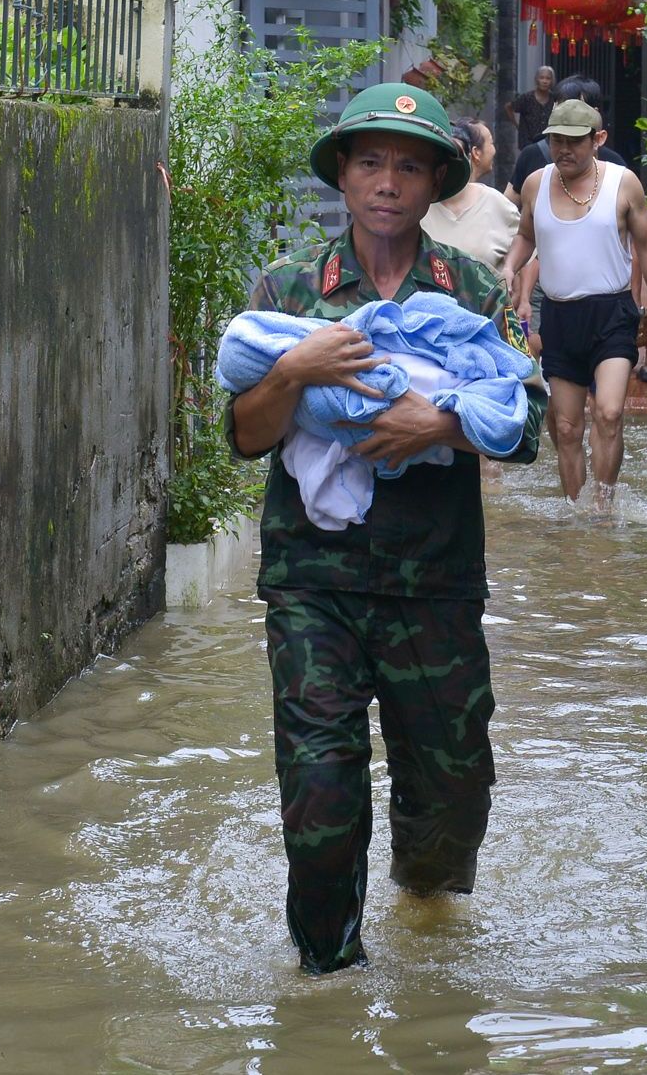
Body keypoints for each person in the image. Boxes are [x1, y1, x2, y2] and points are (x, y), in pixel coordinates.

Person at [225, 82, 547, 975]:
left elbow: (524, 426)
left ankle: (421, 910)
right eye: (370, 162)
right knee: (320, 793)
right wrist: (295, 367)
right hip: (313, 585)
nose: (388, 183)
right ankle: (326, 983)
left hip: (435, 584)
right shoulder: (290, 289)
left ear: (436, 179)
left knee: (451, 804)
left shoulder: (476, 291)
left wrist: (437, 424)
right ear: (342, 173)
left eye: (409, 165)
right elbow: (246, 435)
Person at [499, 98, 647, 511]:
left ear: (598, 140)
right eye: (556, 140)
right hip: (559, 317)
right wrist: (509, 267)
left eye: (574, 141)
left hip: (611, 313)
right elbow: (525, 236)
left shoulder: (623, 183)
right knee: (567, 427)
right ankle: (576, 508)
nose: (564, 150)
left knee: (608, 413)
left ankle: (603, 508)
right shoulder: (536, 183)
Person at [504, 77, 627, 206]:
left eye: (574, 107)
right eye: (561, 106)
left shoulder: (615, 168)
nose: (565, 114)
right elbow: (506, 210)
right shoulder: (531, 156)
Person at [421, 118, 520, 271]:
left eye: (456, 157)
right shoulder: (417, 207)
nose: (449, 167)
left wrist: (511, 272)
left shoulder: (497, 204)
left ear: (468, 157)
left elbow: (526, 251)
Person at [504, 67, 558, 149]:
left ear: (552, 81)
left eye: (548, 78)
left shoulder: (554, 99)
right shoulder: (526, 98)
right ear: (537, 80)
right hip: (528, 143)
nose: (545, 81)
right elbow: (508, 107)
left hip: (548, 143)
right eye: (542, 78)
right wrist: (516, 125)